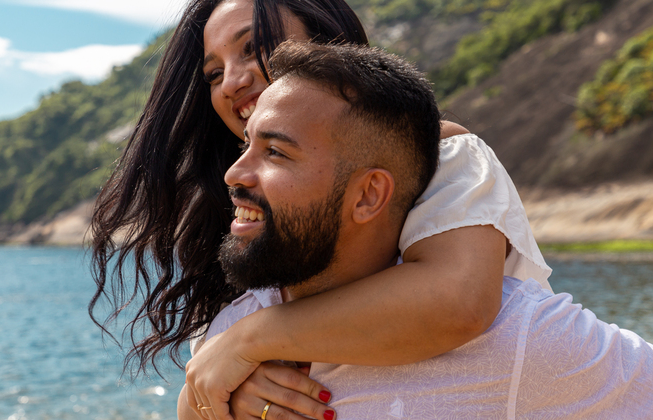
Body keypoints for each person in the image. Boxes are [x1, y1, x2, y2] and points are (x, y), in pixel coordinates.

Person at [89, 0, 551, 418]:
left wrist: (247, 342)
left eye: (253, 48)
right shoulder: (242, 210)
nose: (232, 81)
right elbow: (207, 376)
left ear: (328, 46)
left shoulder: (441, 152)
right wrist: (228, 389)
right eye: (213, 74)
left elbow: (458, 301)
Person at [182, 40, 653, 419]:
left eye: (277, 153)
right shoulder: (229, 341)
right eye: (247, 146)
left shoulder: (519, 339)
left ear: (369, 195)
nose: (234, 175)